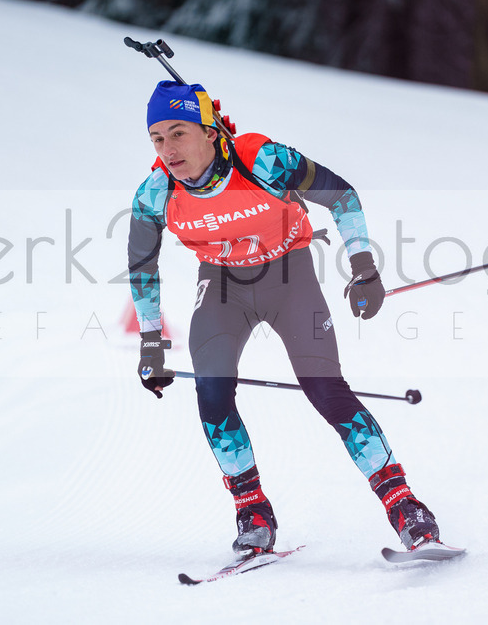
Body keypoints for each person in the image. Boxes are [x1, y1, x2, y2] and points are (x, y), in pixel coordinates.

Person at [127, 80, 440, 554]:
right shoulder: (155, 193)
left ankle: (406, 509)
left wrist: (364, 270)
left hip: (289, 277)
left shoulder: (263, 161)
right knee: (211, 391)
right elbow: (141, 267)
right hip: (222, 286)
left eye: (178, 133)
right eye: (157, 138)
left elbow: (343, 196)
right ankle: (252, 514)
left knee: (326, 391)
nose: (168, 150)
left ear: (210, 132)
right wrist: (152, 343)